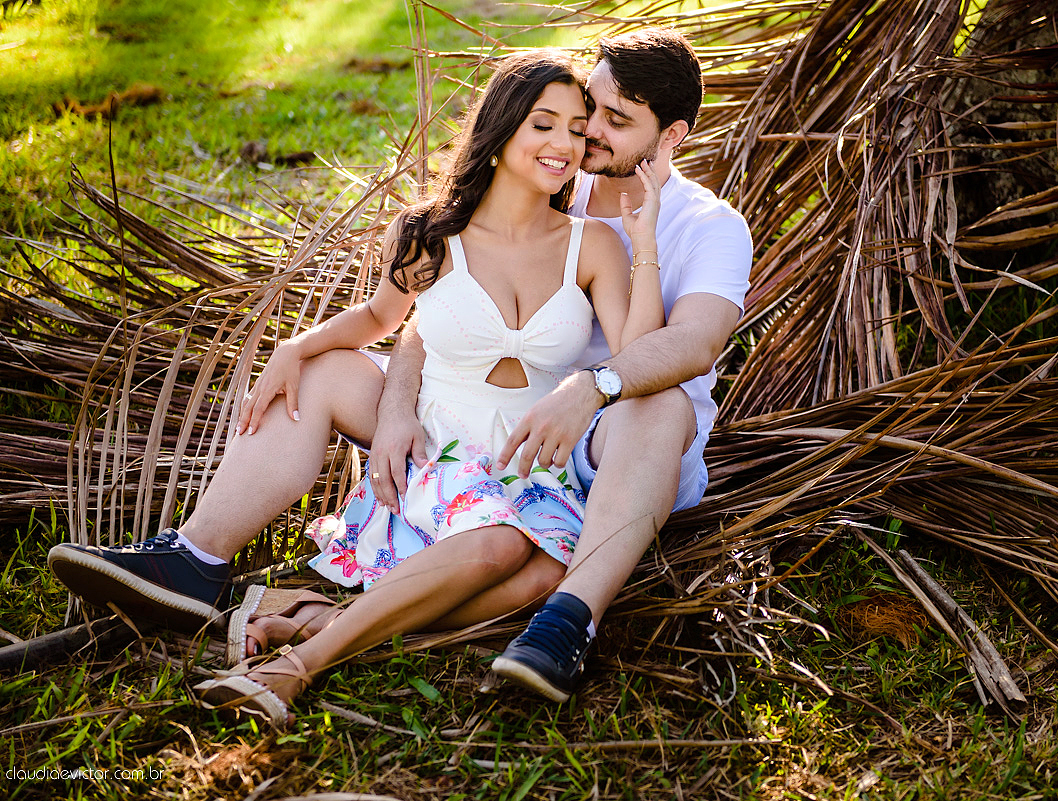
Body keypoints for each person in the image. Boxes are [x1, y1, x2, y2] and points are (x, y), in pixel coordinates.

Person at [47, 49, 666, 726]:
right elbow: (380, 319)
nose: (565, 145)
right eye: (545, 125)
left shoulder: (593, 244)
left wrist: (644, 243)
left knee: (543, 576)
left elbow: (637, 357)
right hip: (438, 450)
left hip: (529, 464)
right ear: (501, 130)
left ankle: (314, 620)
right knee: (336, 383)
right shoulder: (430, 233)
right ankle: (212, 579)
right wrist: (296, 345)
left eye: (577, 129)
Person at [370, 29, 753, 702]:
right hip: (509, 431)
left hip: (626, 449)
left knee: (659, 401)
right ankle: (200, 555)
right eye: (591, 110)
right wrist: (396, 402)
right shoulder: (551, 182)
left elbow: (694, 345)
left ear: (673, 137)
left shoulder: (710, 226)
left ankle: (566, 623)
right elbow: (442, 308)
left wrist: (595, 387)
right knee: (320, 374)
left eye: (617, 120)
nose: (590, 134)